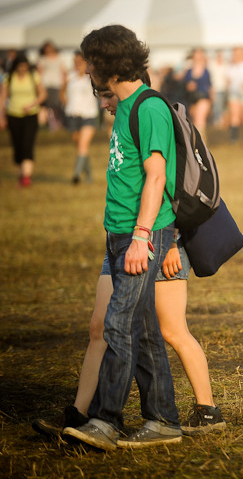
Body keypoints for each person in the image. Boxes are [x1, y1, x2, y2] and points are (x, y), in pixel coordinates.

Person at [33, 83, 225, 439]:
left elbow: (166, 185)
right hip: (121, 240)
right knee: (100, 326)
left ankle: (207, 410)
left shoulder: (150, 111)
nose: (103, 103)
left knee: (170, 330)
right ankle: (78, 415)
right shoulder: (123, 112)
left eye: (105, 94)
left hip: (156, 240)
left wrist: (170, 244)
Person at [61, 24, 182, 450]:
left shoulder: (148, 107)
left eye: (91, 63)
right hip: (119, 233)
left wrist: (141, 236)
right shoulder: (125, 105)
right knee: (144, 328)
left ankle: (105, 420)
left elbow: (156, 176)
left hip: (141, 235)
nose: (88, 71)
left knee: (119, 324)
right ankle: (163, 419)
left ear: (108, 65)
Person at [0, 54, 47, 187]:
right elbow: (3, 98)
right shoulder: (9, 78)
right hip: (13, 114)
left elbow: (43, 94)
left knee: (27, 143)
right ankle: (21, 174)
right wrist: (2, 116)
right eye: (20, 66)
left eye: (24, 66)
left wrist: (33, 104)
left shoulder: (33, 76)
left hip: (30, 115)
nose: (22, 69)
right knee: (17, 145)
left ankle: (26, 176)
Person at [63, 51, 100, 184]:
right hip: (72, 114)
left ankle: (76, 175)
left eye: (80, 62)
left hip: (88, 115)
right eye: (76, 61)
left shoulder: (92, 77)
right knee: (81, 147)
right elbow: (63, 93)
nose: (77, 64)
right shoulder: (69, 76)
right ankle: (89, 175)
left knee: (83, 145)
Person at [180, 47, 212, 141]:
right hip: (191, 99)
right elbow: (183, 84)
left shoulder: (206, 71)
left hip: (203, 97)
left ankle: (201, 142)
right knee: (194, 122)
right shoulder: (188, 71)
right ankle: (198, 142)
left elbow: (210, 87)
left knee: (200, 120)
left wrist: (211, 100)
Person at [37, 40, 67, 131]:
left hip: (57, 85)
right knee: (46, 106)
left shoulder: (59, 58)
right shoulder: (42, 59)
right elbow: (39, 73)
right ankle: (48, 124)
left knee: (57, 105)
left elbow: (64, 72)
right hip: (46, 85)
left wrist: (64, 84)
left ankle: (57, 124)